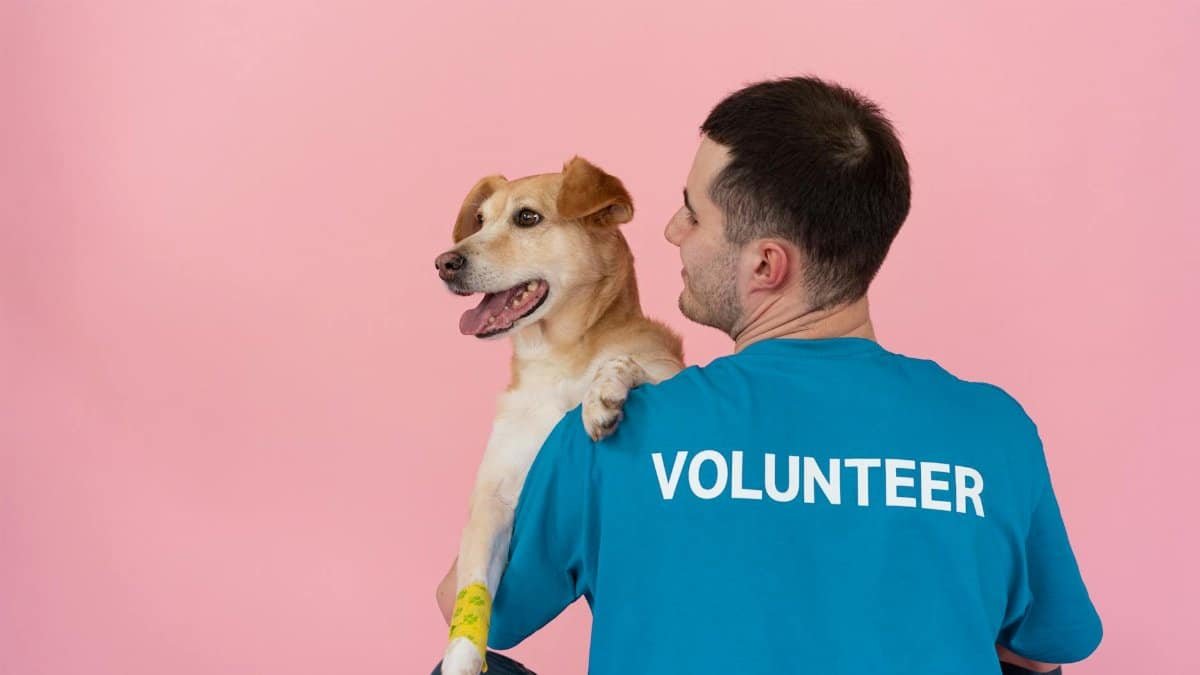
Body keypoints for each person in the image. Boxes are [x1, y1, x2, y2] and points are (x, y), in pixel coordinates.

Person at [434, 76, 1101, 674]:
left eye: (693, 212)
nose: (670, 231)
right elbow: (1045, 648)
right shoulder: (994, 431)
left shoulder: (612, 428)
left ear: (766, 266)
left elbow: (477, 608)